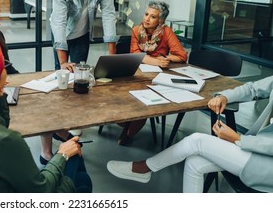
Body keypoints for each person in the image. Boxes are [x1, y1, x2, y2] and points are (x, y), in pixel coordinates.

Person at [0, 31, 92, 192]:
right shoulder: (6, 141)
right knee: (79, 169)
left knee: (78, 170)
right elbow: (41, 190)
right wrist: (61, 155)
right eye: (1, 65)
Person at [107, 76, 273, 193]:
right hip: (258, 151)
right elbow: (252, 88)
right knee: (194, 163)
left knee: (197, 141)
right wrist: (225, 97)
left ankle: (145, 168)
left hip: (267, 168)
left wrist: (239, 139)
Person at [117, 0, 188, 145]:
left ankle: (129, 132)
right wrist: (155, 61)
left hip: (157, 76)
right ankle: (126, 122)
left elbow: (181, 56)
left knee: (147, 100)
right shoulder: (136, 30)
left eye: (153, 16)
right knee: (126, 96)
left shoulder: (166, 31)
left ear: (161, 20)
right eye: (146, 14)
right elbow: (135, 54)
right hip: (136, 73)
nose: (147, 19)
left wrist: (165, 58)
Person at [50, 0, 119, 72]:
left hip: (82, 34)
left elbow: (108, 15)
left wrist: (112, 57)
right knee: (62, 72)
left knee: (80, 73)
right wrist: (63, 62)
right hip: (60, 32)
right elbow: (58, 21)